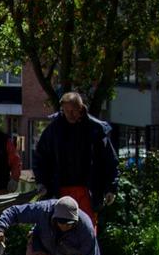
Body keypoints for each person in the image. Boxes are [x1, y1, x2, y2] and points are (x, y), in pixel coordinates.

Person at [32, 92, 119, 228]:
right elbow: (40, 158)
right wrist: (41, 182)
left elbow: (110, 161)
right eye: (66, 111)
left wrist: (111, 188)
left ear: (81, 108)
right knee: (61, 231)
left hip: (87, 190)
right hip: (60, 189)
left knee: (87, 229)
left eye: (73, 110)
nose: (69, 114)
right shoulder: (53, 130)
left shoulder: (95, 129)